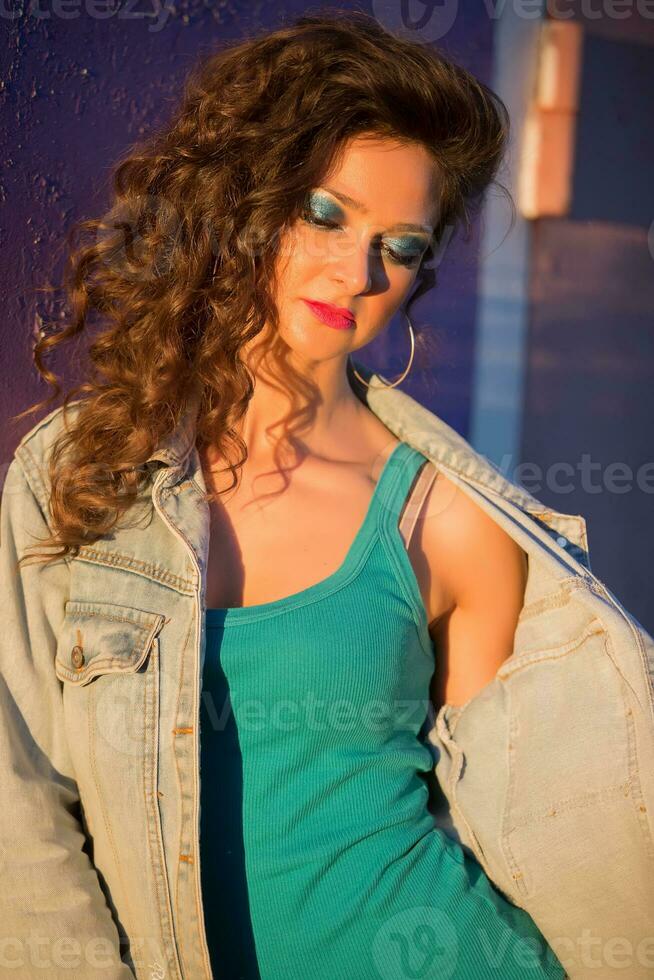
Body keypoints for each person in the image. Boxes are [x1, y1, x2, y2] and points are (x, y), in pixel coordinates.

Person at [3, 10, 652, 980]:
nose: (359, 273)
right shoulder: (76, 471)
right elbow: (20, 814)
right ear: (241, 200)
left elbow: (527, 816)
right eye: (325, 214)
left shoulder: (450, 515)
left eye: (402, 244)